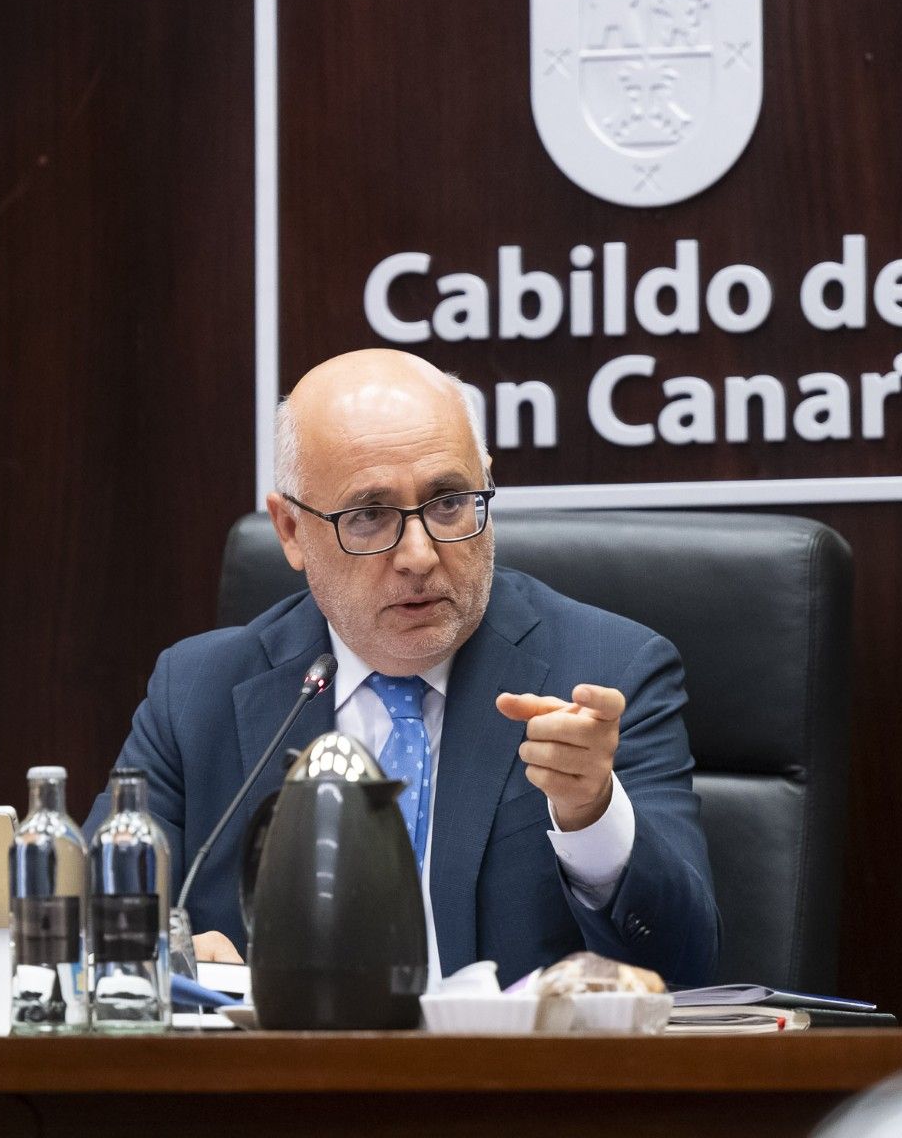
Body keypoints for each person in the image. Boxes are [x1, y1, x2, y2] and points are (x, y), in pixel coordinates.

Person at [87, 349, 719, 986]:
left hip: (519, 1084)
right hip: (284, 1081)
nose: (419, 554)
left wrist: (592, 814)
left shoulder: (609, 671)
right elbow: (91, 922)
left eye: (448, 502)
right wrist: (172, 956)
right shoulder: (197, 693)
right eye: (368, 516)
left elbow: (684, 965)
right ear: (290, 531)